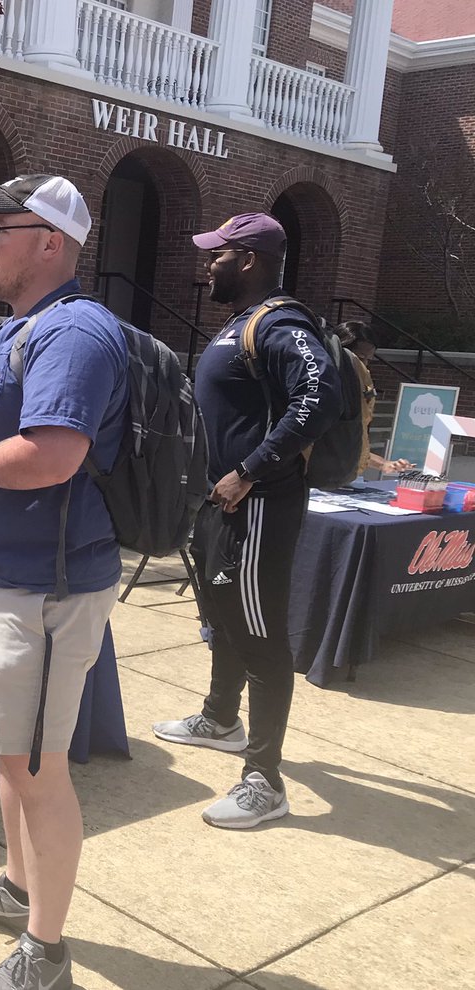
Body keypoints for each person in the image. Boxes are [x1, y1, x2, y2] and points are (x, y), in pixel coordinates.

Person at [0, 175, 129, 990]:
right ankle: (16, 890)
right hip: (2, 577)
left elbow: (53, 456)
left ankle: (46, 954)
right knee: (12, 756)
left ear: (49, 242)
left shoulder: (71, 333)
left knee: (38, 768)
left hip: (44, 587)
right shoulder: (22, 328)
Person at [153, 213, 342, 829]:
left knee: (261, 639)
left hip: (257, 508)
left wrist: (251, 470)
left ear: (251, 260)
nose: (210, 263)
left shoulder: (280, 323)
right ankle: (221, 718)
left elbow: (321, 398)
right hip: (221, 507)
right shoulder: (240, 326)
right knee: (225, 620)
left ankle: (264, 778)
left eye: (220, 254)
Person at [337, 320, 413, 476]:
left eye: (368, 360)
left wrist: (385, 464)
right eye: (360, 358)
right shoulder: (320, 387)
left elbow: (351, 443)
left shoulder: (361, 388)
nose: (364, 366)